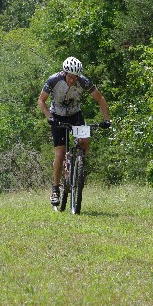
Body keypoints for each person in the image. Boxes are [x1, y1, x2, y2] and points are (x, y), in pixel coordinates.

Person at [37, 56, 111, 206]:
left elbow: (100, 98)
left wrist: (107, 119)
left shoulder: (84, 82)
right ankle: (55, 189)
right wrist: (49, 117)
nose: (72, 80)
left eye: (75, 77)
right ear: (65, 73)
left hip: (75, 115)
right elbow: (41, 101)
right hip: (57, 116)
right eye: (70, 76)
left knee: (85, 143)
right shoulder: (54, 80)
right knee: (59, 153)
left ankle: (74, 160)